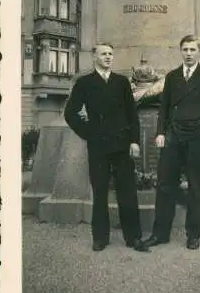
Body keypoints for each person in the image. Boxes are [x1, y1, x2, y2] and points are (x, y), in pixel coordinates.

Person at [64, 43, 149, 252]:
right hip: (98, 146)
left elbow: (132, 115)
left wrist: (134, 141)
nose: (108, 57)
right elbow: (70, 113)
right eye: (104, 54)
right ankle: (100, 238)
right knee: (100, 192)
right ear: (95, 57)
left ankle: (134, 238)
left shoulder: (121, 82)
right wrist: (88, 133)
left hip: (121, 145)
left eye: (111, 53)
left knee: (127, 192)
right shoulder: (85, 83)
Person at [144, 35, 200, 250]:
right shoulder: (171, 77)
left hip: (196, 137)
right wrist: (160, 132)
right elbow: (164, 109)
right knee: (164, 185)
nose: (188, 53)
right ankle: (160, 234)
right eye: (185, 49)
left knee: (194, 187)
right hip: (173, 137)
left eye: (192, 49)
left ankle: (193, 235)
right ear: (180, 51)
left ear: (198, 52)